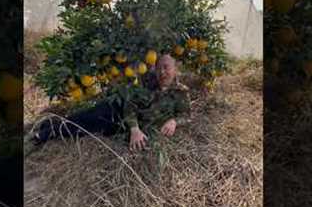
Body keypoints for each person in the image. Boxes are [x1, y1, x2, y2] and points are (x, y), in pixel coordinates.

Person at [26, 54, 190, 152]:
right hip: (118, 112)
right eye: (159, 67)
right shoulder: (147, 81)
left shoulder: (181, 92)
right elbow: (130, 105)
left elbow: (186, 115)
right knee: (86, 117)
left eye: (167, 67)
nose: (162, 72)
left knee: (86, 128)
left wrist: (174, 121)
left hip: (120, 127)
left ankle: (51, 127)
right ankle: (47, 132)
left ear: (176, 69)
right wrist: (134, 128)